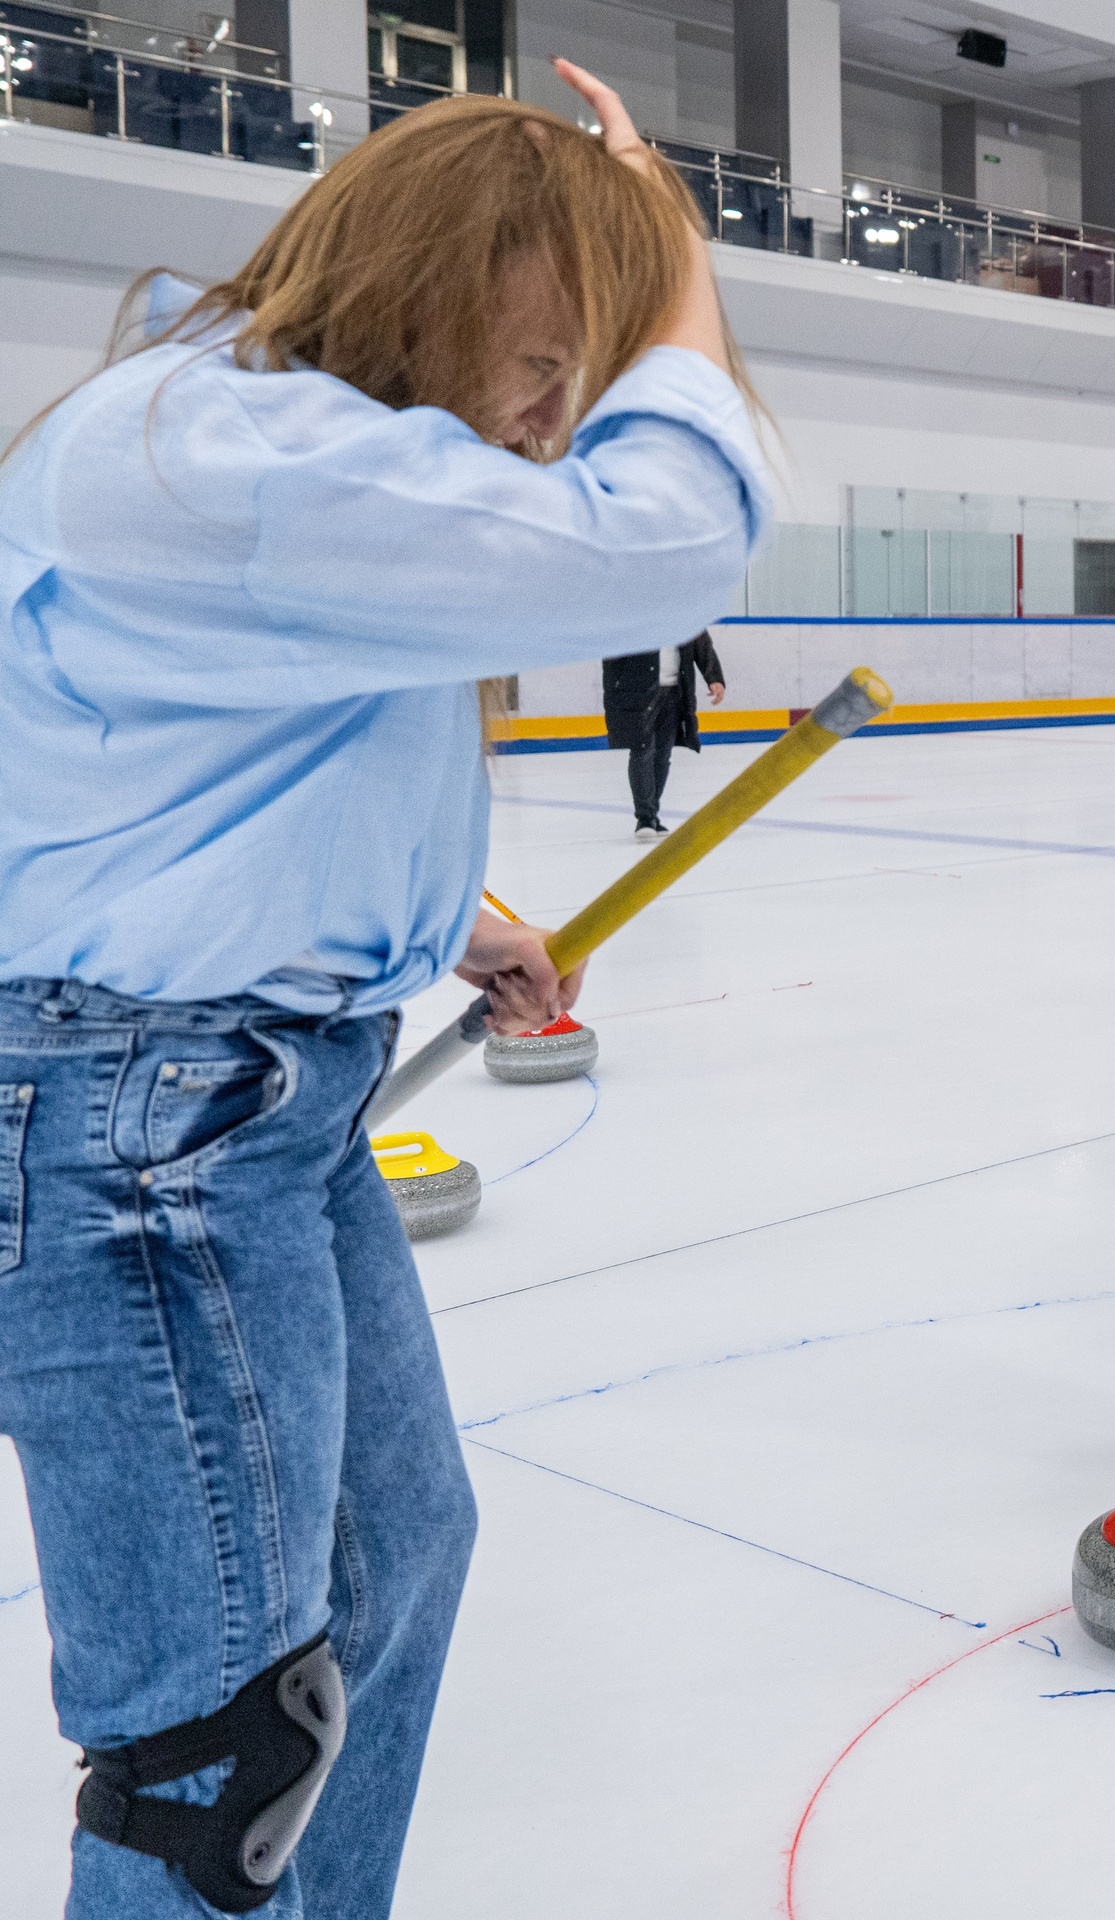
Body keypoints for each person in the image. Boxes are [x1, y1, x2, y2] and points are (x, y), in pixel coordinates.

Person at [0, 67, 765, 1919]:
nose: (554, 415)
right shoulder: (232, 453)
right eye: (547, 359)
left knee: (392, 1568)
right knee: (217, 1755)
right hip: (138, 1140)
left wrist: (450, 920)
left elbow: (272, 750)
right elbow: (671, 539)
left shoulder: (298, 450)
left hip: (251, 1108)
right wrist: (673, 254)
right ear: (430, 283)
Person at [605, 628, 726, 835]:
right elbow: (612, 647)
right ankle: (645, 818)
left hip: (675, 691)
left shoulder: (686, 615)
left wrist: (714, 678)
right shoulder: (633, 615)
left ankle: (652, 815)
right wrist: (617, 685)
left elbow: (702, 643)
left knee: (663, 753)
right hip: (639, 691)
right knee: (642, 749)